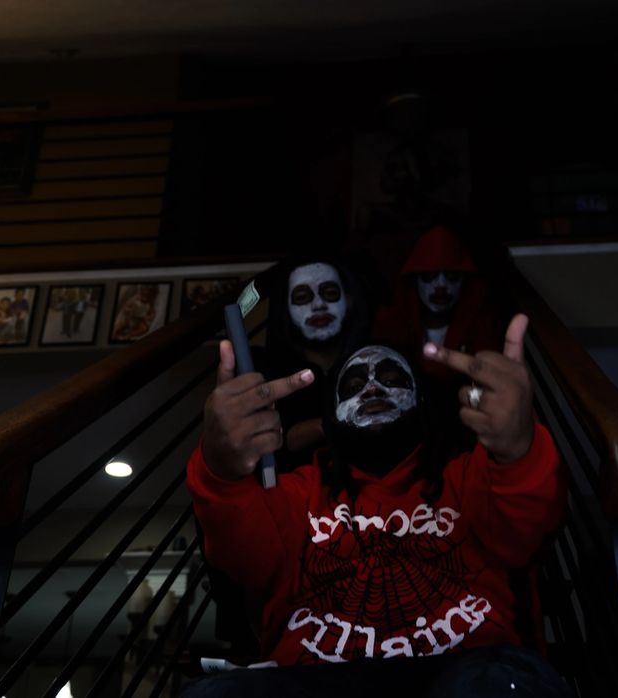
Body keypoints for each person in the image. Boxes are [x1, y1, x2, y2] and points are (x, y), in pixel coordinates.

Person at [185, 315, 569, 697]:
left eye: (391, 378)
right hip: (314, 679)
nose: (371, 389)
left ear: (421, 399)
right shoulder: (295, 493)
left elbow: (528, 528)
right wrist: (220, 470)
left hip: (469, 671)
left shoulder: (473, 476)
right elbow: (243, 556)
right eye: (353, 386)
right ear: (330, 416)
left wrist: (519, 448)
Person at [260, 257, 373, 464]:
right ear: (286, 307)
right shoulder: (268, 371)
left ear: (348, 300)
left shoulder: (373, 361)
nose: (319, 305)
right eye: (302, 297)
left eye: (330, 293)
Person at [373, 225, 503, 384]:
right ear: (414, 281)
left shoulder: (483, 327)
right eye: (429, 276)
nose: (441, 286)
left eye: (452, 276)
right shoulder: (391, 325)